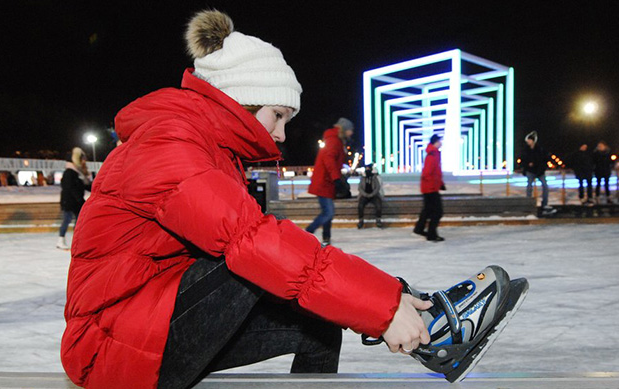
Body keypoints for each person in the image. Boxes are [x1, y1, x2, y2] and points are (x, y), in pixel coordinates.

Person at [59, 11, 433, 388]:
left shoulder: (212, 149)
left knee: (317, 328)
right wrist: (379, 310)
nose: (282, 134)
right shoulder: (169, 142)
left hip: (150, 320)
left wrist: (386, 296)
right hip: (108, 340)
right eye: (279, 115)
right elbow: (252, 241)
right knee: (247, 257)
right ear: (244, 101)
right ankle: (395, 303)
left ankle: (413, 304)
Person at [306, 117, 354, 246]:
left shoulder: (336, 140)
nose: (351, 133)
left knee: (327, 212)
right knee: (328, 212)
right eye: (350, 130)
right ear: (343, 129)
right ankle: (307, 233)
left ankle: (326, 238)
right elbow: (329, 160)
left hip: (327, 182)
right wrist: (336, 178)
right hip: (324, 182)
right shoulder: (333, 140)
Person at [56, 147, 91, 250]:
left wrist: (97, 189)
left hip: (76, 202)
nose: (84, 161)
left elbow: (85, 186)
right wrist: (79, 198)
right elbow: (69, 187)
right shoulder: (69, 172)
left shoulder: (78, 173)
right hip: (69, 202)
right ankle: (60, 240)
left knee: (79, 222)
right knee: (67, 220)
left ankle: (78, 241)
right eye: (82, 159)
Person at [413, 134, 445, 242]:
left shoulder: (434, 153)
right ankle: (431, 234)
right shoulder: (432, 155)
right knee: (437, 212)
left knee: (428, 210)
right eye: (440, 141)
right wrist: (433, 185)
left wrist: (440, 183)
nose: (441, 143)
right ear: (435, 142)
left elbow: (435, 172)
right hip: (430, 189)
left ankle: (419, 228)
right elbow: (427, 172)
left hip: (430, 187)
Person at [520, 131, 555, 214]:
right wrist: (527, 166)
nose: (528, 142)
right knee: (529, 187)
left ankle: (544, 203)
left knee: (545, 186)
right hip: (531, 171)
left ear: (533, 141)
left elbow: (544, 159)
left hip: (539, 171)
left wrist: (537, 165)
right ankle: (528, 203)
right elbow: (523, 160)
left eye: (529, 140)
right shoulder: (526, 150)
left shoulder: (540, 149)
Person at [357, 164, 384, 229]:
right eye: (366, 169)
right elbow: (360, 188)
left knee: (378, 204)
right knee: (360, 205)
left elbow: (377, 187)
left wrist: (372, 194)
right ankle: (361, 220)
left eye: (368, 169)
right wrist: (365, 194)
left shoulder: (374, 178)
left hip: (374, 195)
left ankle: (378, 220)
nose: (367, 170)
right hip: (364, 195)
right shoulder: (363, 178)